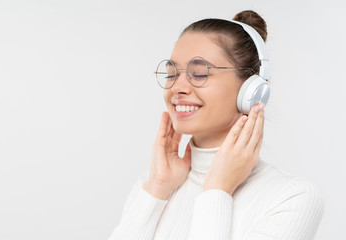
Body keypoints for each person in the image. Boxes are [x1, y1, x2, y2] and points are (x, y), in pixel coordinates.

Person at [108, 10, 324, 240]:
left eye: (199, 73)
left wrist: (217, 190)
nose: (177, 88)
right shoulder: (152, 187)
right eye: (172, 74)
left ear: (251, 90)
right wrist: (157, 189)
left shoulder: (291, 197)